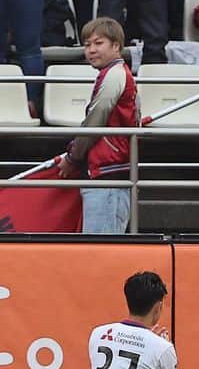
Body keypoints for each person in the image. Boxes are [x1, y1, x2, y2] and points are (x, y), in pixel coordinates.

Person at [56, 15, 139, 234]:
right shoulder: (116, 73)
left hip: (108, 175)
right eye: (87, 45)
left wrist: (73, 157)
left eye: (98, 43)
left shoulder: (114, 75)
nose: (91, 50)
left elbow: (96, 119)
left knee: (101, 253)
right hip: (107, 172)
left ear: (116, 46)